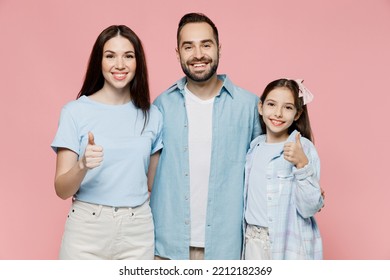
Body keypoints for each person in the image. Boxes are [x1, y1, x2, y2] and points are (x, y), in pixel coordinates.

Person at [150, 13, 261, 260]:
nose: (198, 54)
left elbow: (269, 170)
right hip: (166, 250)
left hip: (228, 250)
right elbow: (143, 173)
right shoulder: (161, 106)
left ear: (219, 48)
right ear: (178, 53)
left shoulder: (250, 106)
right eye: (188, 46)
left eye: (206, 44)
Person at [51, 25, 163, 260]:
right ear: (99, 62)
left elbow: (155, 183)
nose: (119, 65)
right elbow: (62, 190)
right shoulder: (75, 112)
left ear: (138, 62)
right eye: (110, 56)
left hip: (138, 229)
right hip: (87, 229)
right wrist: (82, 165)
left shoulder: (153, 115)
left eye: (128, 56)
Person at [243, 78, 324, 260]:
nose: (278, 113)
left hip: (288, 244)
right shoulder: (254, 147)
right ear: (261, 107)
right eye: (272, 104)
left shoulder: (303, 147)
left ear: (297, 114)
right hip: (252, 242)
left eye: (287, 107)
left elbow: (309, 207)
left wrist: (302, 164)